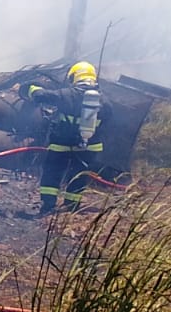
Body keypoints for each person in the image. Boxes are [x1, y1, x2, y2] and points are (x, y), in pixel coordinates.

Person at [20, 61, 110, 215]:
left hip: (62, 143)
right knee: (79, 175)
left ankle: (48, 205)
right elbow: (107, 122)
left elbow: (40, 96)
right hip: (89, 147)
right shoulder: (105, 101)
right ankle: (72, 206)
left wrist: (31, 88)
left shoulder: (66, 95)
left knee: (52, 172)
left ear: (74, 77)